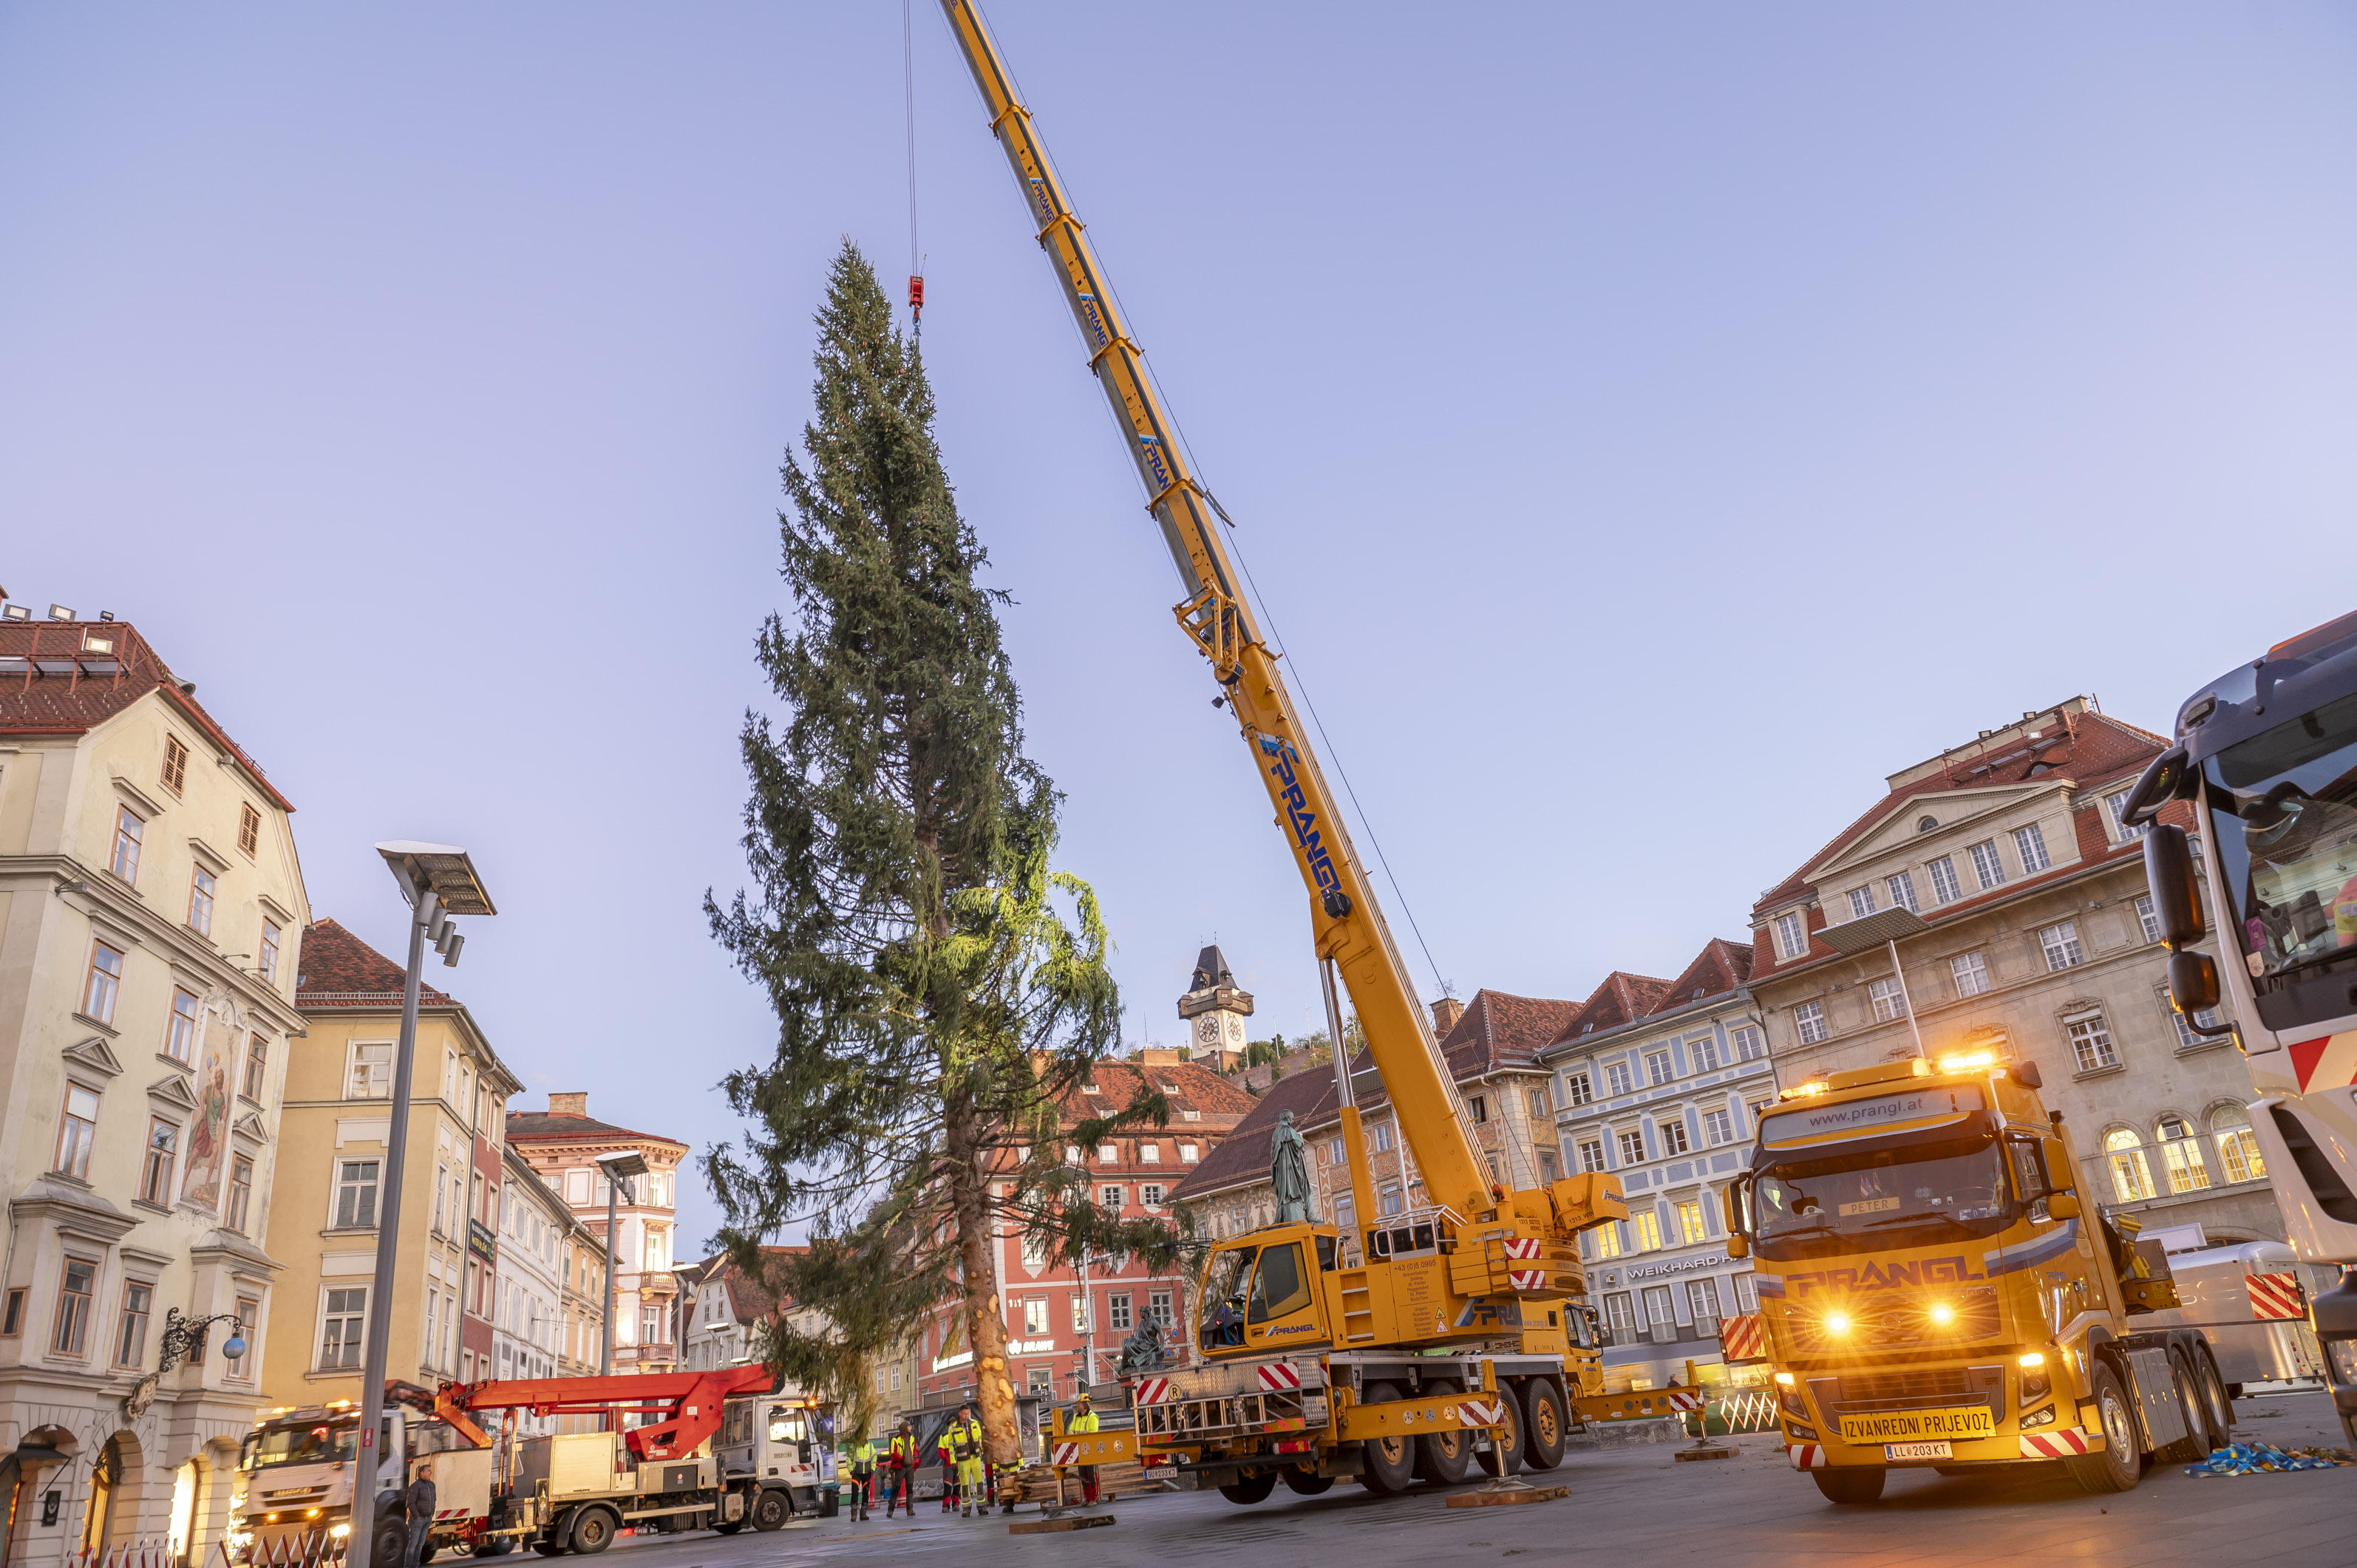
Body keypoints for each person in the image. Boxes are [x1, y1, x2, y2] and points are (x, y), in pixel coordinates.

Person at [945, 1403, 986, 1518]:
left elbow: (980, 1439)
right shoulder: (953, 1429)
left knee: (979, 1483)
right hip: (963, 1460)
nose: (966, 1416)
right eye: (964, 1414)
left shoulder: (974, 1424)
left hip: (975, 1457)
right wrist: (953, 1461)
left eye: (967, 1414)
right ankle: (966, 1508)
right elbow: (951, 1446)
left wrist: (982, 1452)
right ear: (960, 1414)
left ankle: (981, 1506)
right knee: (964, 1485)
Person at [1067, 1394, 1103, 1506]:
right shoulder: (1076, 1417)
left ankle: (1093, 1498)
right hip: (1080, 1450)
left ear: (1085, 1404)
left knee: (1091, 1474)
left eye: (1079, 1403)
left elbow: (1093, 1435)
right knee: (1082, 1474)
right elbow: (1070, 1430)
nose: (1078, 1405)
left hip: (1090, 1450)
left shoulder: (1093, 1417)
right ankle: (1086, 1497)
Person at [883, 1419, 919, 1518]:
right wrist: (902, 1459)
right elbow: (893, 1453)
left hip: (909, 1466)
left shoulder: (912, 1438)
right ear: (904, 1428)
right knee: (896, 1488)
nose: (910, 1428)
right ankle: (890, 1510)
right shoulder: (896, 1440)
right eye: (909, 1427)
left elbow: (915, 1449)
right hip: (900, 1466)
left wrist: (914, 1457)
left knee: (910, 1488)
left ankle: (910, 1509)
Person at [404, 1461, 436, 1567]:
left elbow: (434, 1500)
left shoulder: (432, 1485)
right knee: (413, 1544)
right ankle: (408, 1565)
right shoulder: (415, 1486)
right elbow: (410, 1503)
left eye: (430, 1471)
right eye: (428, 1471)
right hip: (418, 1519)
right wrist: (416, 1516)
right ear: (421, 1473)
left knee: (420, 1544)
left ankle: (416, 1564)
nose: (430, 1473)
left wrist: (432, 1514)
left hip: (427, 1519)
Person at [847, 1436, 875, 1521]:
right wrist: (851, 1470)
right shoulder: (854, 1446)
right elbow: (849, 1459)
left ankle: (863, 1513)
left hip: (867, 1473)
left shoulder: (870, 1446)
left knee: (866, 1494)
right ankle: (854, 1514)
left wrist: (872, 1470)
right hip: (856, 1474)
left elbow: (874, 1457)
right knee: (855, 1494)